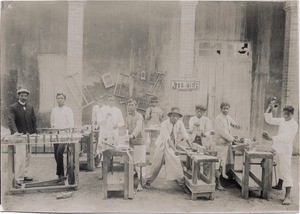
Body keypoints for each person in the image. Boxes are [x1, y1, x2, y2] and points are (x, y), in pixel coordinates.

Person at [145, 107, 193, 190]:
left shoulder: (180, 123)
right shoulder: (164, 124)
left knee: (176, 163)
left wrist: (191, 147)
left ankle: (182, 184)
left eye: (177, 116)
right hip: (161, 146)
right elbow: (168, 139)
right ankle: (148, 182)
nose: (175, 118)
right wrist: (175, 150)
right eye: (173, 116)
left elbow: (185, 135)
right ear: (170, 116)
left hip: (171, 146)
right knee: (156, 165)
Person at [262, 105, 298, 205]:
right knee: (279, 167)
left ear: (292, 114)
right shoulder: (282, 120)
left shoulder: (294, 124)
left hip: (286, 150)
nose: (286, 116)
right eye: (284, 113)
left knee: (286, 170)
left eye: (288, 114)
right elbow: (270, 120)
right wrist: (269, 107)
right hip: (278, 148)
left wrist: (271, 138)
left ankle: (288, 196)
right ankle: (279, 185)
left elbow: (286, 137)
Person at [8, 88, 36, 186]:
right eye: (22, 95)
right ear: (18, 96)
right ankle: (18, 178)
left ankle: (24, 175)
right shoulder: (13, 107)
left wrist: (34, 132)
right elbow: (11, 121)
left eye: (25, 96)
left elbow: (33, 120)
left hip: (29, 135)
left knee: (28, 155)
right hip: (19, 135)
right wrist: (15, 132)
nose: (24, 97)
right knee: (21, 156)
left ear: (27, 96)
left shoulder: (30, 107)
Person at [214, 102, 241, 190]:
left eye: (227, 108)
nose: (225, 110)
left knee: (222, 163)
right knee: (217, 163)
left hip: (226, 144)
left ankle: (221, 179)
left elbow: (233, 123)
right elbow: (223, 132)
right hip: (220, 144)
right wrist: (233, 139)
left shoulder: (228, 117)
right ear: (221, 109)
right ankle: (217, 184)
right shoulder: (218, 119)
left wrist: (237, 125)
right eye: (224, 108)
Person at [50, 93, 74, 182]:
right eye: (58, 98)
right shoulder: (54, 110)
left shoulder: (68, 110)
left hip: (64, 134)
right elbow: (52, 121)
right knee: (56, 154)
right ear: (56, 99)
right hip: (56, 134)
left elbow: (71, 123)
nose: (60, 99)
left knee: (60, 152)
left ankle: (60, 175)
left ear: (65, 99)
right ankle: (61, 174)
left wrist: (67, 132)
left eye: (62, 98)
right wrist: (53, 127)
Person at [126, 99, 146, 191]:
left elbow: (138, 128)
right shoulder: (128, 117)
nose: (130, 107)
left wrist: (132, 135)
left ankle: (141, 184)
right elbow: (126, 128)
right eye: (129, 105)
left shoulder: (139, 116)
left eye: (132, 105)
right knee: (132, 162)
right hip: (131, 142)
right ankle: (134, 181)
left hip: (139, 142)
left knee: (140, 163)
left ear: (135, 106)